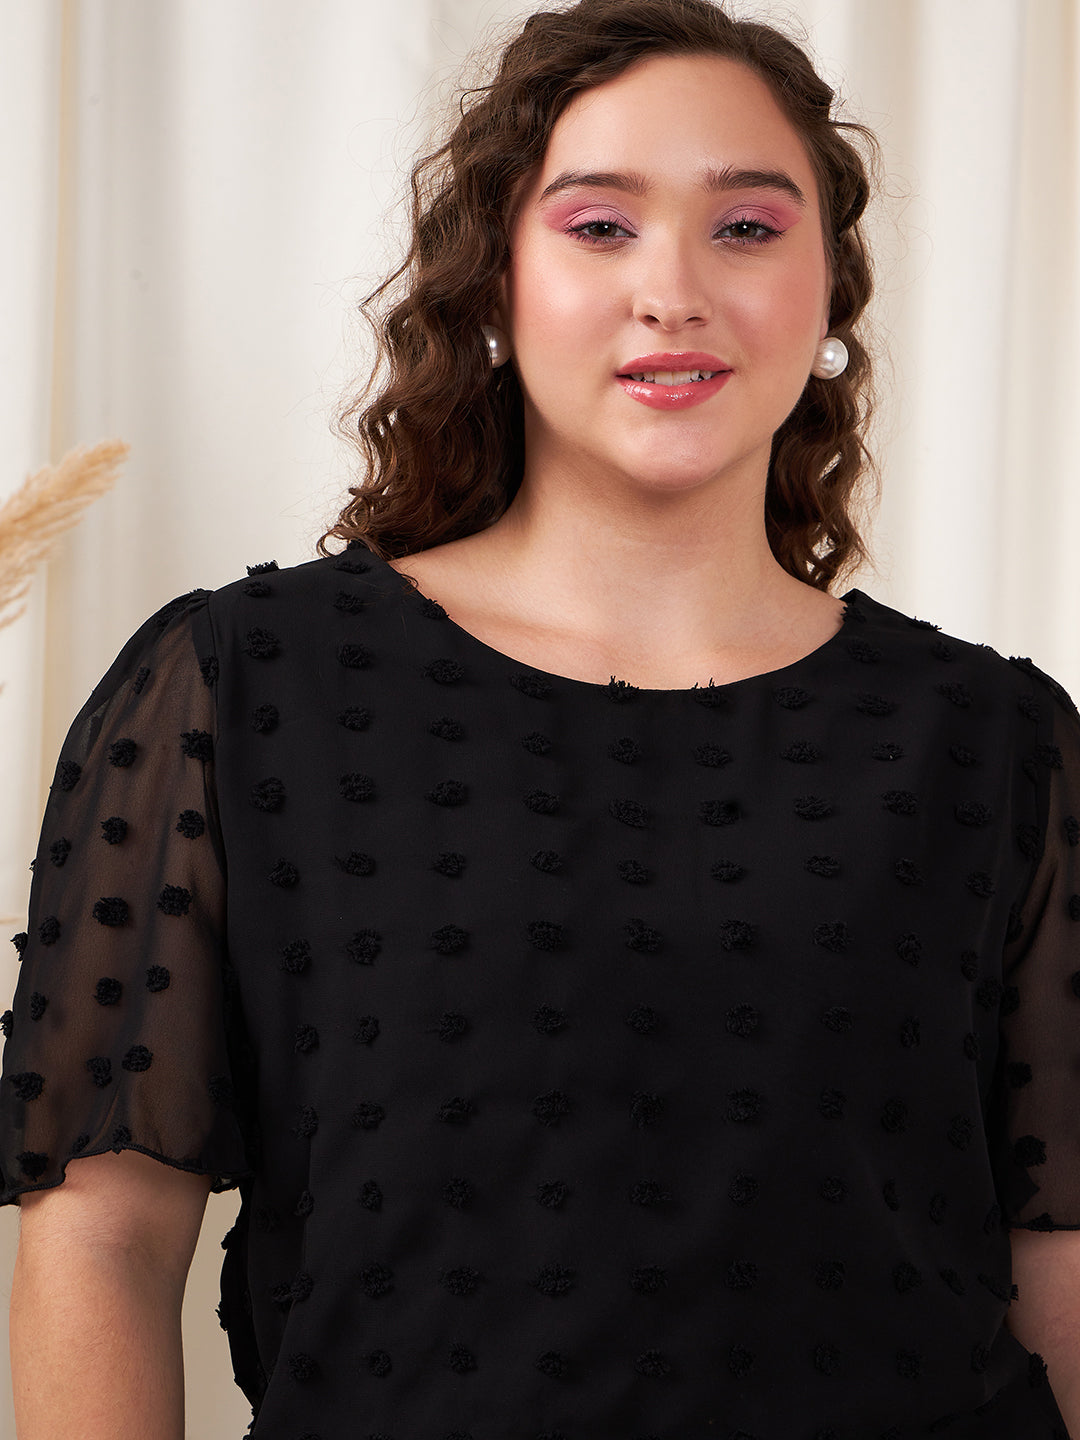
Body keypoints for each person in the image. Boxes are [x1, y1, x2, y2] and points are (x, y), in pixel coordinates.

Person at [3, 0, 1079, 1435]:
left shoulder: (997, 740)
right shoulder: (242, 685)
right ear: (494, 291)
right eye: (599, 225)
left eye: (747, 227)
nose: (673, 290)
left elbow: (1060, 1261)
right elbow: (102, 1241)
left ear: (830, 295)